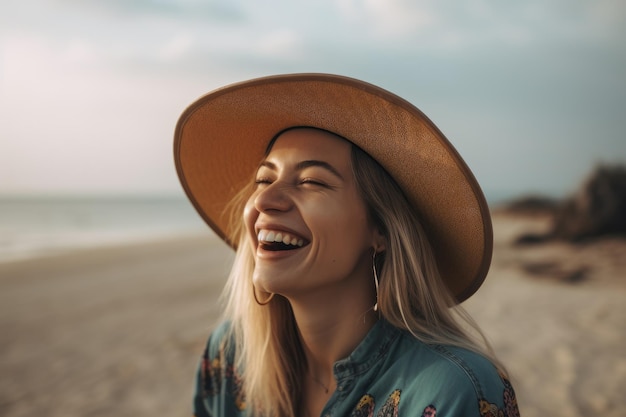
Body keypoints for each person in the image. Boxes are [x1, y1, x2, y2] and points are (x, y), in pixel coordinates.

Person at [174, 74, 520, 417]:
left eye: (311, 181)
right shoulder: (230, 355)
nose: (265, 198)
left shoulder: (454, 390)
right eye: (264, 179)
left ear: (380, 229)